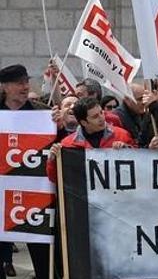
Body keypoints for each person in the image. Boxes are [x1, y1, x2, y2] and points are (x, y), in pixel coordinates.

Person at [0, 64, 49, 279]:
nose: (25, 86)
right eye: (19, 83)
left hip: (33, 194)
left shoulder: (41, 112)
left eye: (26, 81)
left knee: (40, 250)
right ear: (4, 86)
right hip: (2, 192)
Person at [47, 97, 136, 182]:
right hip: (83, 196)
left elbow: (139, 165)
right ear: (83, 122)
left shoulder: (122, 135)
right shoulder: (68, 144)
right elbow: (56, 179)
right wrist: (53, 160)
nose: (101, 118)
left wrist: (127, 150)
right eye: (95, 116)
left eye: (101, 113)